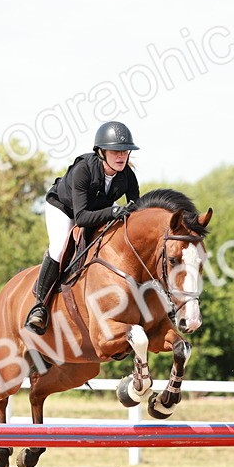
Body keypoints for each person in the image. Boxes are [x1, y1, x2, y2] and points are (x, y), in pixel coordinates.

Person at [24, 121, 141, 334]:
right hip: (65, 209)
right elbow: (81, 218)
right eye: (115, 151)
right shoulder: (83, 170)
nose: (121, 156)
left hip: (97, 208)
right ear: (101, 152)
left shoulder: (127, 175)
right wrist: (115, 212)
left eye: (125, 151)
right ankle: (39, 307)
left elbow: (136, 206)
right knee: (59, 248)